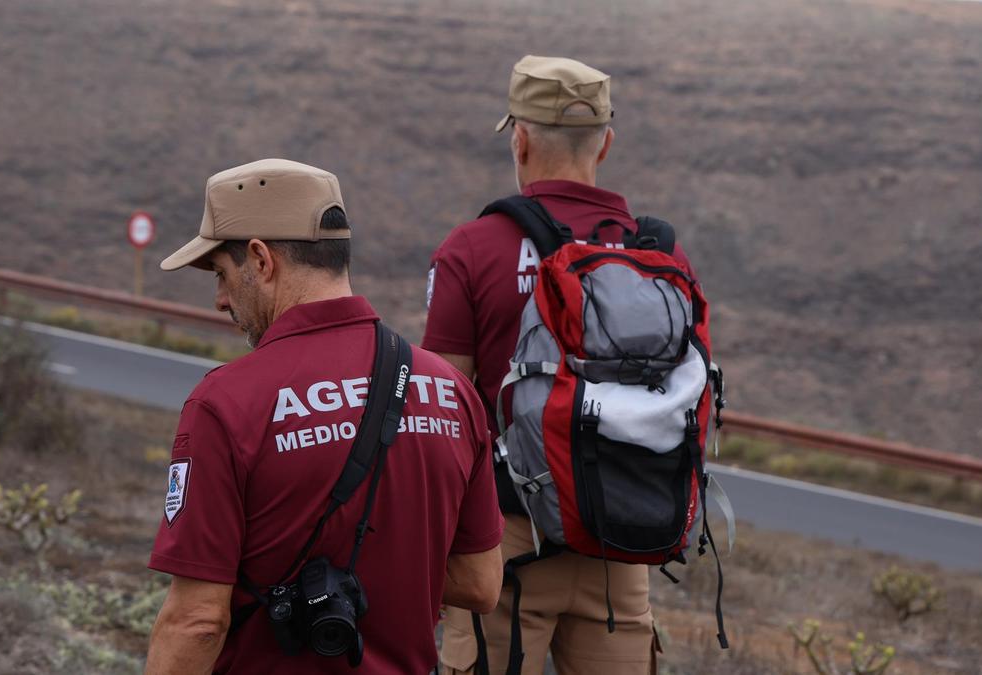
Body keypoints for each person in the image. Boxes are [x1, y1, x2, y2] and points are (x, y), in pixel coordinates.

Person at [145, 158, 504, 675]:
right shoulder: (452, 392)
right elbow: (479, 582)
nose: (221, 299)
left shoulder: (224, 404)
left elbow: (197, 622)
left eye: (222, 275)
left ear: (261, 260)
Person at [424, 56, 702, 674]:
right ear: (606, 144)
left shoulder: (473, 249)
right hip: (622, 546)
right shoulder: (661, 255)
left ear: (518, 140)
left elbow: (440, 411)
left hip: (503, 548)